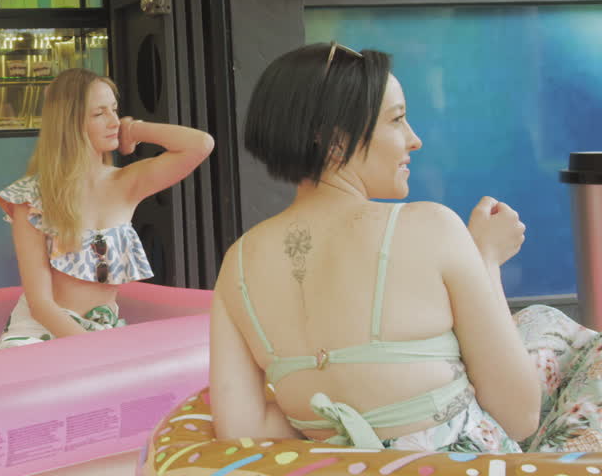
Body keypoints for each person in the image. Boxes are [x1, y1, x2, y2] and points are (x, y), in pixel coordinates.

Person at [211, 42, 602, 453]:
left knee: (535, 324)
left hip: (341, 466)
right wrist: (485, 259)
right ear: (335, 139)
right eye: (397, 120)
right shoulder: (431, 227)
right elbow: (519, 414)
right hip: (463, 464)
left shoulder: (238, 263)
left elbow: (242, 429)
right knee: (563, 333)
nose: (414, 140)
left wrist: (340, 413)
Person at [0, 68, 215, 350]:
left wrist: (134, 129)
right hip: (42, 332)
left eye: (115, 110)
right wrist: (93, 351)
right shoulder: (30, 198)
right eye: (99, 113)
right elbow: (40, 305)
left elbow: (200, 145)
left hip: (102, 331)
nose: (113, 121)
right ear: (69, 124)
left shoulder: (126, 183)